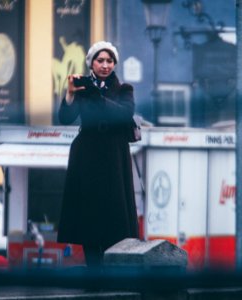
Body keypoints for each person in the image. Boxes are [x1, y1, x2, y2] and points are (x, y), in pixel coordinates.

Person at [57, 41, 139, 267]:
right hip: (87, 155)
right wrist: (70, 94)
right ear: (91, 63)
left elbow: (124, 114)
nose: (105, 65)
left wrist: (97, 96)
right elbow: (65, 118)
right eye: (100, 60)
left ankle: (112, 271)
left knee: (115, 215)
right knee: (88, 215)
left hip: (114, 155)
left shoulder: (124, 90)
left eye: (109, 61)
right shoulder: (83, 89)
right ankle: (93, 272)